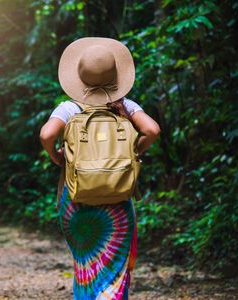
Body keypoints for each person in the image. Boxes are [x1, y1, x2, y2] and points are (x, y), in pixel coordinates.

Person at [39, 37, 160, 299]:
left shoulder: (69, 107)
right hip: (117, 201)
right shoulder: (125, 106)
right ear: (115, 75)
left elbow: (46, 135)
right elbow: (152, 130)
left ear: (79, 76)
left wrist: (58, 158)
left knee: (86, 266)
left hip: (75, 200)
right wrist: (133, 151)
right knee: (114, 270)